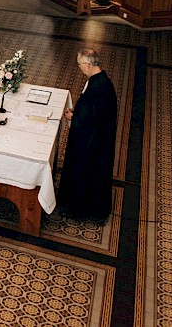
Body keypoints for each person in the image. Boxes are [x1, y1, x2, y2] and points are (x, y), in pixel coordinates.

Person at [58, 47, 118, 220]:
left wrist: (74, 117)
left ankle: (81, 209)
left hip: (93, 144)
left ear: (88, 64)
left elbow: (93, 119)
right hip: (94, 139)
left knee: (84, 172)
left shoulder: (100, 87)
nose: (79, 68)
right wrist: (77, 113)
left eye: (80, 64)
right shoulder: (98, 81)